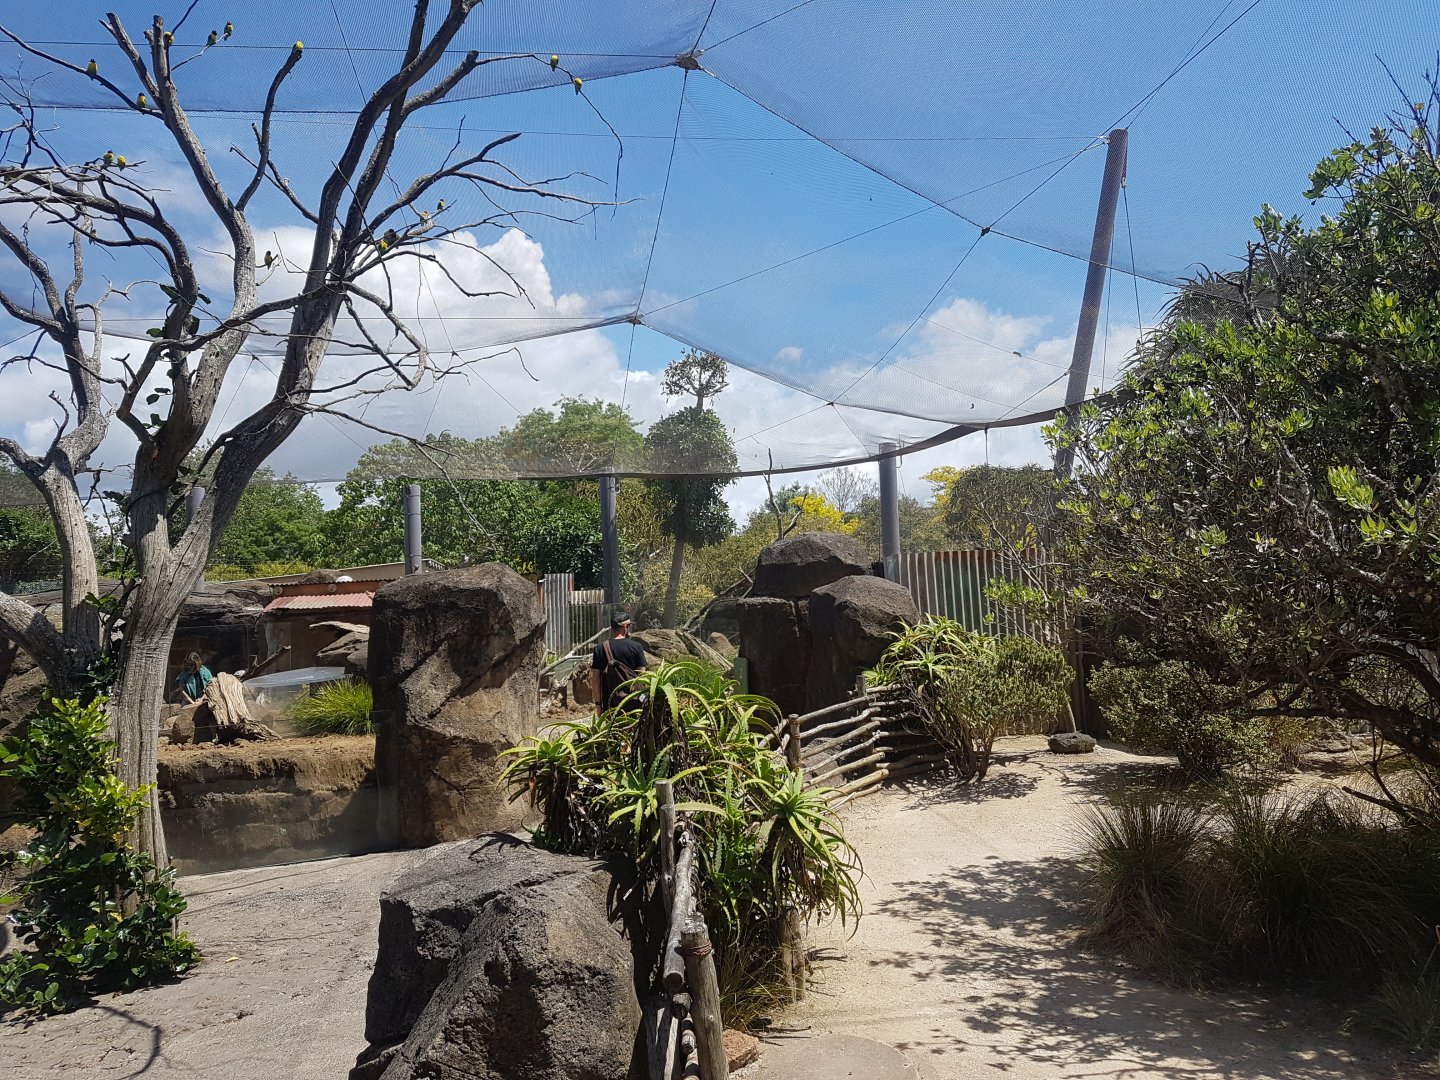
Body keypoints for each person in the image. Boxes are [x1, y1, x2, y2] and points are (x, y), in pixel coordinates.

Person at [591, 611, 647, 711]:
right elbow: (642, 676)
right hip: (633, 702)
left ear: (612, 628)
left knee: (612, 726)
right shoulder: (636, 647)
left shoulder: (600, 649)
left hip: (610, 704)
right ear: (625, 627)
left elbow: (595, 680)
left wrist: (598, 705)